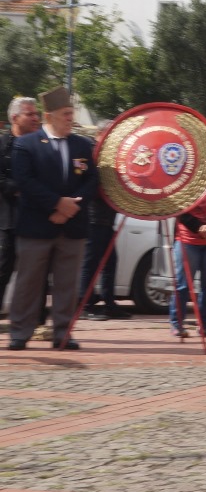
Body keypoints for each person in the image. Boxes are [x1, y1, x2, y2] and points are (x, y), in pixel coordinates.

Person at [8, 86, 98, 350]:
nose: (71, 118)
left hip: (72, 226)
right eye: (65, 114)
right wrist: (57, 205)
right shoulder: (26, 144)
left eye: (71, 113)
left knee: (67, 284)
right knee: (28, 283)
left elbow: (92, 180)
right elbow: (25, 181)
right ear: (49, 116)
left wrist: (71, 208)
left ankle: (62, 332)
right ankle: (20, 332)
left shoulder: (83, 145)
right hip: (36, 226)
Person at [1, 96, 43, 320]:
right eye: (30, 114)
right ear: (15, 118)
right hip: (8, 219)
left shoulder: (43, 145)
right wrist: (20, 188)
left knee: (39, 272)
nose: (36, 118)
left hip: (37, 219)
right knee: (3, 269)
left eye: (36, 114)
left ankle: (37, 322)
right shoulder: (3, 145)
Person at [170, 189, 206, 338]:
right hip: (187, 240)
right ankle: (177, 324)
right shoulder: (186, 181)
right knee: (183, 285)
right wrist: (199, 227)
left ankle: (205, 326)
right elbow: (178, 208)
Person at [78, 185, 126, 320]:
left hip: (107, 222)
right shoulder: (98, 174)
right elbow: (93, 191)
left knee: (110, 263)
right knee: (90, 264)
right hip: (94, 220)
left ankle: (109, 304)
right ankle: (85, 306)